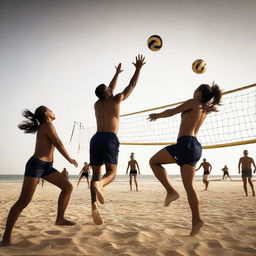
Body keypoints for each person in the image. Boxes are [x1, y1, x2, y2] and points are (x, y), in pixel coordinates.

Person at [148, 82, 222, 236]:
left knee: (153, 161)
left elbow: (172, 111)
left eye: (196, 89)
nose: (193, 90)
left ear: (199, 93)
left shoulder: (194, 102)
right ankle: (197, 221)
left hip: (185, 144)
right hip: (195, 148)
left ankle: (170, 191)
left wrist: (157, 115)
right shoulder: (204, 109)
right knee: (190, 187)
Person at [1, 106, 78, 246]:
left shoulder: (47, 125)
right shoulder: (47, 125)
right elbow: (58, 143)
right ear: (45, 114)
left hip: (47, 167)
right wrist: (70, 159)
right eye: (50, 110)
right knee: (23, 202)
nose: (53, 111)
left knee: (67, 187)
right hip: (36, 165)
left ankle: (60, 218)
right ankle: (6, 238)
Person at [90, 54, 146, 225]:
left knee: (96, 174)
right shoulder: (116, 99)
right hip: (109, 138)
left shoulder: (97, 104)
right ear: (107, 92)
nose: (110, 88)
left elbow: (108, 90)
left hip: (96, 138)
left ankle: (93, 204)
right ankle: (100, 185)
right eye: (108, 88)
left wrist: (116, 74)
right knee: (111, 173)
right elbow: (132, 85)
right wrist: (138, 69)